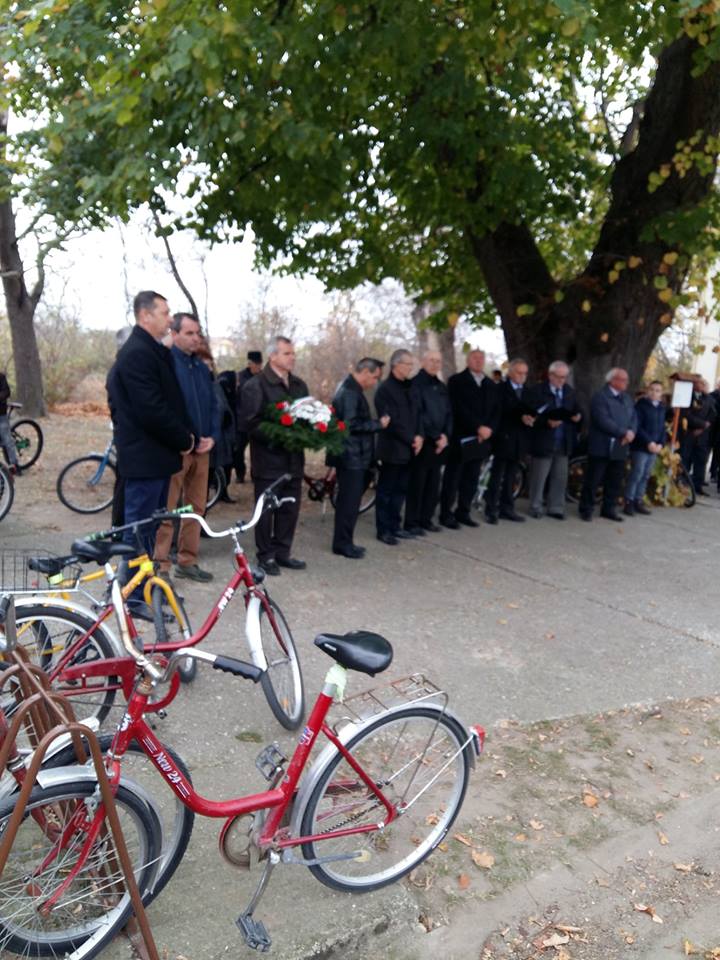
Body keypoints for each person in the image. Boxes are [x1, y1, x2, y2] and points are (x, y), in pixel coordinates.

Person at [106, 291, 195, 564]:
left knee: (147, 530)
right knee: (137, 534)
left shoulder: (150, 350)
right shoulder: (137, 353)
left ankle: (141, 586)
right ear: (145, 315)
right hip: (145, 461)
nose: (170, 319)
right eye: (165, 313)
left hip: (154, 459)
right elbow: (151, 410)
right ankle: (131, 589)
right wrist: (184, 440)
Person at [153, 314, 219, 582]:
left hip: (202, 450)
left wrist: (212, 436)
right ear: (175, 333)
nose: (195, 338)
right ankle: (160, 566)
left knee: (196, 508)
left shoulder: (201, 368)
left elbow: (214, 406)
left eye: (197, 333)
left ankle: (187, 561)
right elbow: (162, 409)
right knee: (168, 510)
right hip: (176, 450)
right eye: (189, 333)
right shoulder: (166, 365)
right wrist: (181, 439)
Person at [239, 337, 307, 575]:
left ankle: (282, 552)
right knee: (266, 511)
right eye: (287, 353)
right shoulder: (256, 385)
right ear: (273, 356)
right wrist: (280, 434)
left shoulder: (298, 385)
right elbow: (250, 423)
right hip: (269, 461)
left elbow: (306, 415)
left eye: (293, 353)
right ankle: (265, 555)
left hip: (294, 459)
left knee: (290, 508)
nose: (292, 357)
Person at [327, 358, 389, 558]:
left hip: (355, 455)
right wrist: (378, 424)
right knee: (348, 503)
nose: (375, 382)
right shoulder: (350, 392)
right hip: (351, 456)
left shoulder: (352, 389)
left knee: (350, 503)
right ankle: (342, 544)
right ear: (365, 372)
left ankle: (346, 541)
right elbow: (351, 425)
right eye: (375, 377)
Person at [439, 349, 499, 529]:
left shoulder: (490, 384)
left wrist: (488, 429)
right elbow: (457, 408)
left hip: (482, 440)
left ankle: (463, 512)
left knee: (472, 478)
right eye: (475, 358)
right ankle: (446, 513)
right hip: (461, 437)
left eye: (481, 358)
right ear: (468, 360)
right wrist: (477, 427)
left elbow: (496, 410)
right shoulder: (456, 381)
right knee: (453, 478)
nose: (479, 361)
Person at [374, 349, 423, 545]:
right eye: (408, 364)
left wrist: (420, 436)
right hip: (393, 448)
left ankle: (395, 526)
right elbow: (391, 421)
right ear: (396, 365)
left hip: (411, 449)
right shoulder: (385, 390)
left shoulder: (410, 387)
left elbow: (418, 414)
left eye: (412, 364)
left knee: (401, 490)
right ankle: (383, 529)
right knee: (386, 490)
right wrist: (412, 439)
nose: (411, 368)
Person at [578, 368, 637, 522]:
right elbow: (602, 420)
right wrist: (623, 432)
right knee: (594, 478)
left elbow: (634, 417)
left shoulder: (627, 398)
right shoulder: (600, 397)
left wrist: (631, 432)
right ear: (612, 380)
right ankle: (586, 509)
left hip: (620, 444)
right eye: (623, 380)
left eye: (626, 380)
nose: (626, 383)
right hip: (602, 444)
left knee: (614, 479)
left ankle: (608, 508)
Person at [526, 360, 582, 520]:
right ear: (550, 375)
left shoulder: (569, 391)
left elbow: (577, 409)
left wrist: (578, 416)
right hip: (544, 439)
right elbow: (530, 414)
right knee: (539, 476)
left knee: (560, 476)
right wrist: (546, 422)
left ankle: (556, 507)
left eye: (564, 377)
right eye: (559, 377)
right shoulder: (538, 391)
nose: (562, 380)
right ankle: (535, 506)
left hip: (563, 440)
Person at [405, 350, 452, 533]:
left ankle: (426, 519)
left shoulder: (441, 386)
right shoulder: (415, 384)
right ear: (423, 362)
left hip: (440, 444)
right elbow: (419, 414)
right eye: (431, 360)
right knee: (418, 484)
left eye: (438, 361)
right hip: (424, 441)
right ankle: (412, 522)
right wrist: (435, 436)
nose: (435, 364)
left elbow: (449, 413)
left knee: (433, 484)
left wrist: (446, 435)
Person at [484, 358, 535, 524]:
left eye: (525, 373)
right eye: (519, 373)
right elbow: (499, 411)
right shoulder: (500, 389)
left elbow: (531, 409)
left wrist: (531, 418)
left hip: (520, 439)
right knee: (497, 475)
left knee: (512, 475)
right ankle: (491, 509)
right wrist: (520, 416)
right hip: (503, 437)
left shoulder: (527, 391)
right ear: (511, 372)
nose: (522, 376)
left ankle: (507, 508)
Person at [623, 380, 666, 516]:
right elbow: (638, 427)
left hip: (654, 447)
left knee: (646, 475)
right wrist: (649, 442)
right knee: (637, 473)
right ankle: (628, 501)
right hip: (641, 446)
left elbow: (662, 428)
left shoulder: (661, 408)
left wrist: (660, 443)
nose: (654, 393)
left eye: (657, 390)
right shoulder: (640, 406)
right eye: (652, 389)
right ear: (647, 391)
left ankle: (638, 500)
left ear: (661, 394)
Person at [679, 378, 715, 495]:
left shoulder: (709, 399)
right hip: (689, 433)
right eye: (700, 383)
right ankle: (682, 484)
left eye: (704, 384)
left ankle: (697, 486)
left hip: (702, 436)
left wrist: (703, 427)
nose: (702, 385)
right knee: (685, 459)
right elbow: (685, 414)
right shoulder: (688, 396)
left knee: (700, 461)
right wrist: (700, 424)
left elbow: (713, 414)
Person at [0, 371, 19, 476]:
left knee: (8, 441)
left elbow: (6, 392)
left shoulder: (1, 377)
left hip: (1, 414)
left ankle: (15, 465)